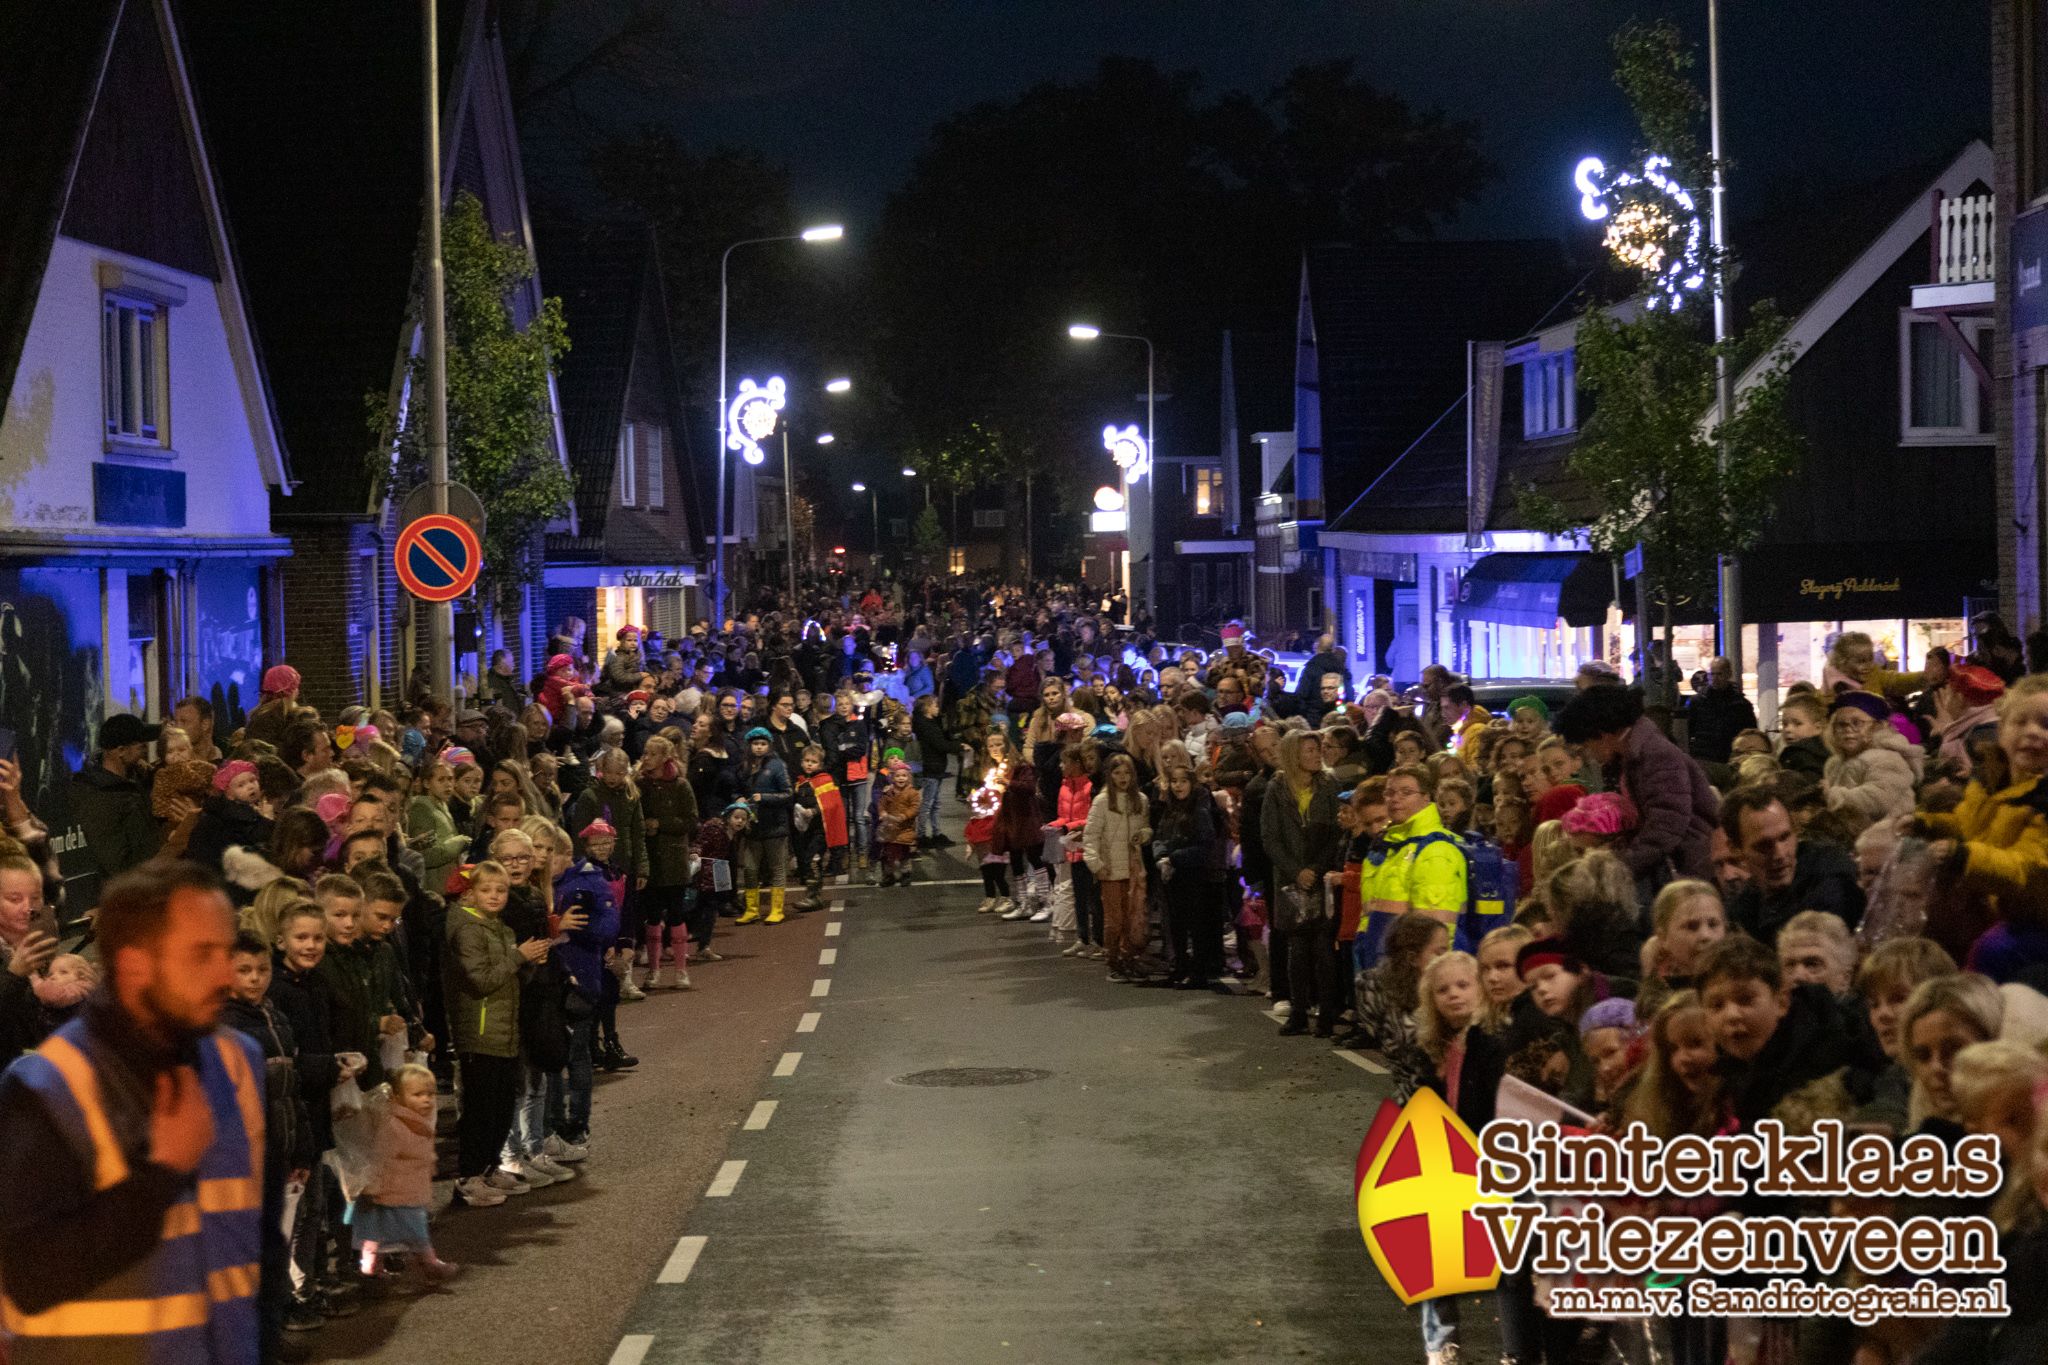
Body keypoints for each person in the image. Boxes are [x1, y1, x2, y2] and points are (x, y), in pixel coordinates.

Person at [0, 860, 265, 1364]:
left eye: (227, 952)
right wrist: (160, 1172)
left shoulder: (238, 1062)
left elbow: (250, 1258)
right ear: (134, 965)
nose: (227, 975)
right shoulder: (47, 1086)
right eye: (201, 955)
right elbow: (32, 1278)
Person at [1556, 684, 1718, 893]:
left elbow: (1666, 826)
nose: (1590, 755)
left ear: (1602, 734)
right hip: (1680, 867)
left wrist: (1620, 868)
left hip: (1689, 870)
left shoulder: (1656, 755)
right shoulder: (1636, 755)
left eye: (1587, 746)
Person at [348, 1063, 460, 1285]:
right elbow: (380, 1158)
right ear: (397, 1097)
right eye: (417, 1094)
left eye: (430, 1094)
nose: (426, 1100)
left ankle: (371, 1269)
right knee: (415, 1232)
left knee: (378, 1235)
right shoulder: (393, 1125)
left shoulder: (415, 1121)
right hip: (393, 1192)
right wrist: (373, 1186)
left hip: (406, 1189)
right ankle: (430, 1265)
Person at [1263, 730, 1342, 1036]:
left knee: (1323, 948)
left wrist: (1316, 868)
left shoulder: (1329, 784)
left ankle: (1326, 1013)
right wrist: (1295, 871)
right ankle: (1298, 1011)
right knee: (1296, 947)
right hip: (1289, 879)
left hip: (1321, 877)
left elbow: (1336, 833)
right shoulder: (1277, 788)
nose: (1315, 755)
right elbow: (1270, 837)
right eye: (1308, 750)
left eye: (1317, 749)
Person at [1720, 786, 1865, 944]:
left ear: (1796, 830)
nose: (1780, 854)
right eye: (1764, 845)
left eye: (1785, 837)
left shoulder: (1831, 873)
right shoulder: (1742, 911)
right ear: (1735, 849)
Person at [69, 712, 165, 907]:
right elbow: (117, 864)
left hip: (149, 890)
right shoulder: (98, 796)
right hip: (128, 900)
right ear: (121, 751)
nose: (146, 749)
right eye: (140, 745)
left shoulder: (136, 781)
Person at [1083, 753, 1152, 983]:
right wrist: (1095, 863)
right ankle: (1113, 960)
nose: (1123, 778)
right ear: (1109, 776)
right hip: (1111, 869)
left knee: (1133, 917)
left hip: (1133, 867)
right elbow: (1091, 835)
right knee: (1115, 920)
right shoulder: (1102, 801)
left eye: (1127, 773)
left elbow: (1146, 828)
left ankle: (1129, 957)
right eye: (1117, 773)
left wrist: (1143, 835)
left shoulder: (1140, 800)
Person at [1684, 656, 1758, 765]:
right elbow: (1689, 730)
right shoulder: (1698, 702)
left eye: (1719, 674)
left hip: (1730, 758)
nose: (1715, 678)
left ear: (1728, 674)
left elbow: (1750, 733)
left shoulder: (1741, 705)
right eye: (1712, 674)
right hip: (1704, 757)